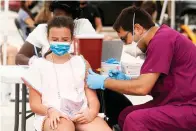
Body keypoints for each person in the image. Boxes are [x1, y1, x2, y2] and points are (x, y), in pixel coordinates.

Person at [86, 6, 196, 131]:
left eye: (124, 39)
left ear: (137, 29)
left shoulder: (162, 40)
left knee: (135, 120)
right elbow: (163, 85)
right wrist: (125, 80)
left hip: (190, 106)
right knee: (125, 115)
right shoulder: (160, 39)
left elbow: (142, 88)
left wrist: (104, 82)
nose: (125, 45)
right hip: (178, 101)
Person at [21, 16, 111, 131]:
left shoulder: (81, 63)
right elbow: (35, 104)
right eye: (55, 39)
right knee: (64, 128)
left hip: (82, 113)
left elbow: (92, 99)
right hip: (52, 114)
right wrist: (50, 111)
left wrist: (91, 112)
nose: (59, 43)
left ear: (72, 39)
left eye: (64, 39)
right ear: (47, 38)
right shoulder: (38, 66)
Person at [15, 1, 95, 65]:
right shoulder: (42, 29)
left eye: (65, 39)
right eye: (56, 16)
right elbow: (19, 57)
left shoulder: (82, 25)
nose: (58, 22)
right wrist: (35, 62)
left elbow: (93, 56)